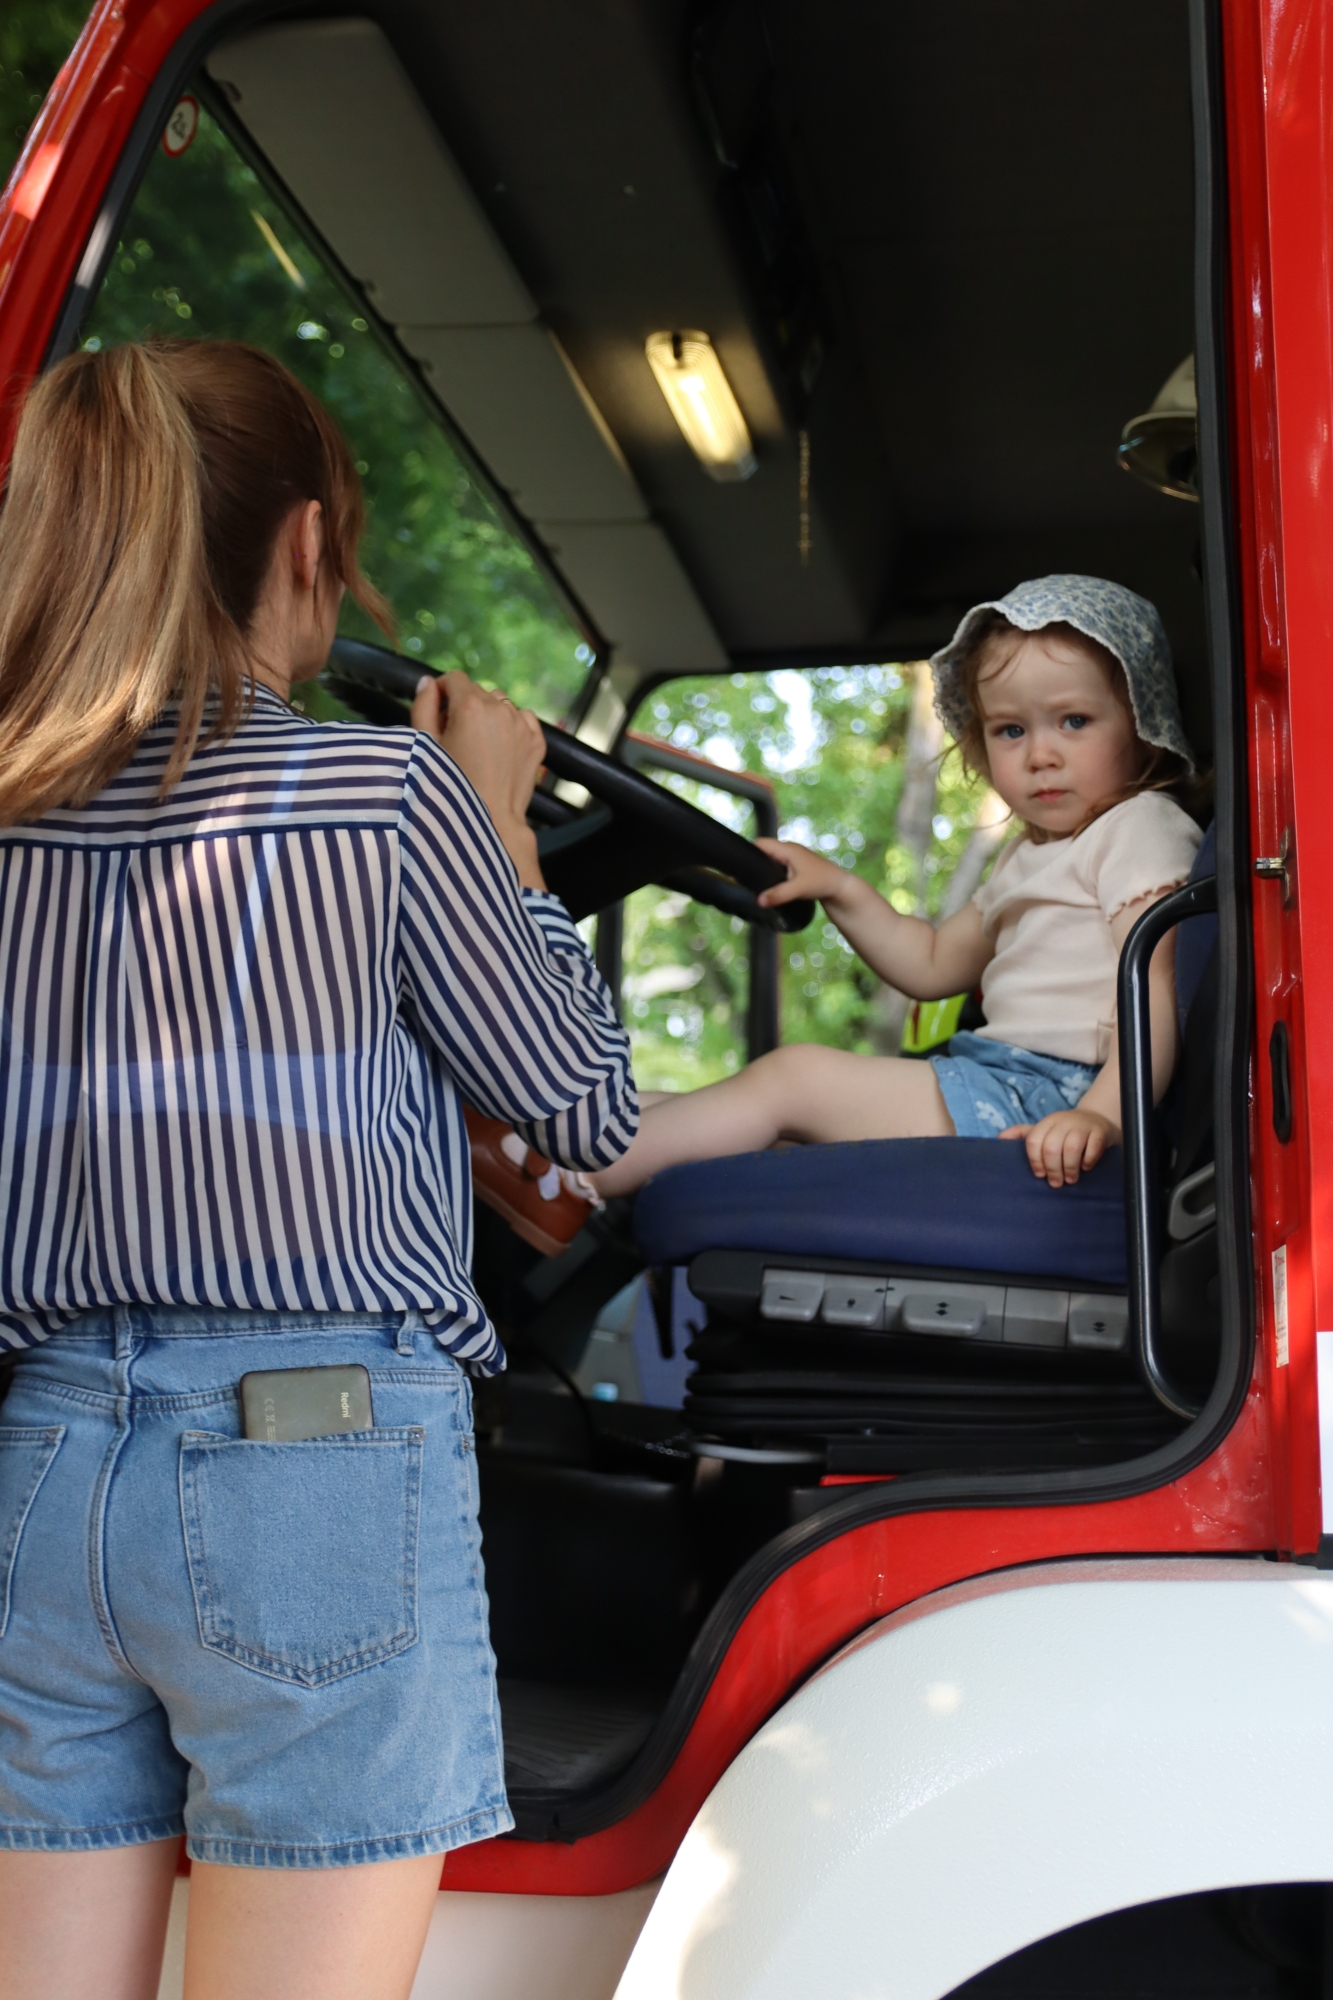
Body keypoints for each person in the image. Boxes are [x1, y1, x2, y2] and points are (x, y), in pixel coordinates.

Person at [0, 339, 637, 2000]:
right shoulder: (390, 797)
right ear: (305, 547)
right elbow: (582, 1109)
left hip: (46, 1461)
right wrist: (506, 838)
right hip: (313, 1465)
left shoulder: (10, 814)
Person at [592, 575, 1201, 1199]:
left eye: (1074, 720)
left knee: (794, 1079)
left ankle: (574, 1181)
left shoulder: (1140, 825)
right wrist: (840, 889)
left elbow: (1155, 990)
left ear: (1142, 725)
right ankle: (564, 1146)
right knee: (706, 1112)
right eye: (1010, 730)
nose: (1039, 754)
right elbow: (931, 963)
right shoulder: (1027, 857)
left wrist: (1102, 1116)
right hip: (1000, 1080)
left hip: (1062, 1099)